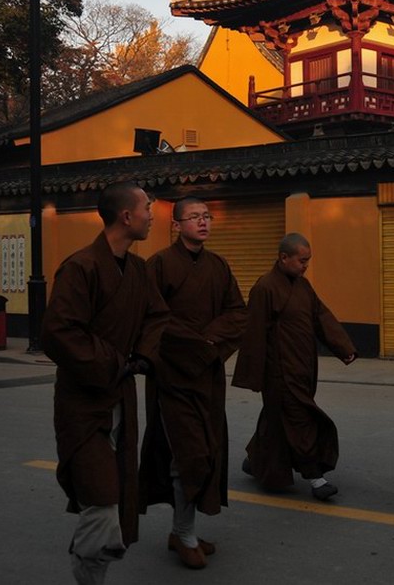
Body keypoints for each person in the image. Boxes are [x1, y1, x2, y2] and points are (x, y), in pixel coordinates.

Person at [41, 182, 169, 584]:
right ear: (126, 216)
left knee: (115, 492)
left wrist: (145, 356)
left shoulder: (138, 269)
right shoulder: (81, 267)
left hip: (121, 398)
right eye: (148, 207)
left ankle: (92, 565)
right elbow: (60, 333)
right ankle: (89, 573)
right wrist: (116, 361)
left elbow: (157, 317)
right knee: (100, 496)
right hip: (84, 402)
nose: (153, 214)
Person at [138, 197, 247, 570]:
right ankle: (184, 535)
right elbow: (152, 318)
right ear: (176, 225)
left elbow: (237, 312)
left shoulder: (218, 265)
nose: (203, 222)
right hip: (173, 377)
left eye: (207, 216)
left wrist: (210, 340)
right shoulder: (160, 265)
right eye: (194, 217)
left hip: (208, 376)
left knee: (206, 451)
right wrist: (198, 344)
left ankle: (181, 530)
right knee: (188, 455)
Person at [232, 232, 358, 500]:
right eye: (302, 261)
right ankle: (314, 476)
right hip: (279, 372)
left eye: (308, 261)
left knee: (276, 420)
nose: (305, 266)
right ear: (283, 258)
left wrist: (343, 348)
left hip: (303, 369)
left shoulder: (303, 287)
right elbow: (254, 334)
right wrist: (255, 376)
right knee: (301, 421)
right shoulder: (265, 288)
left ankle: (255, 460)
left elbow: (321, 317)